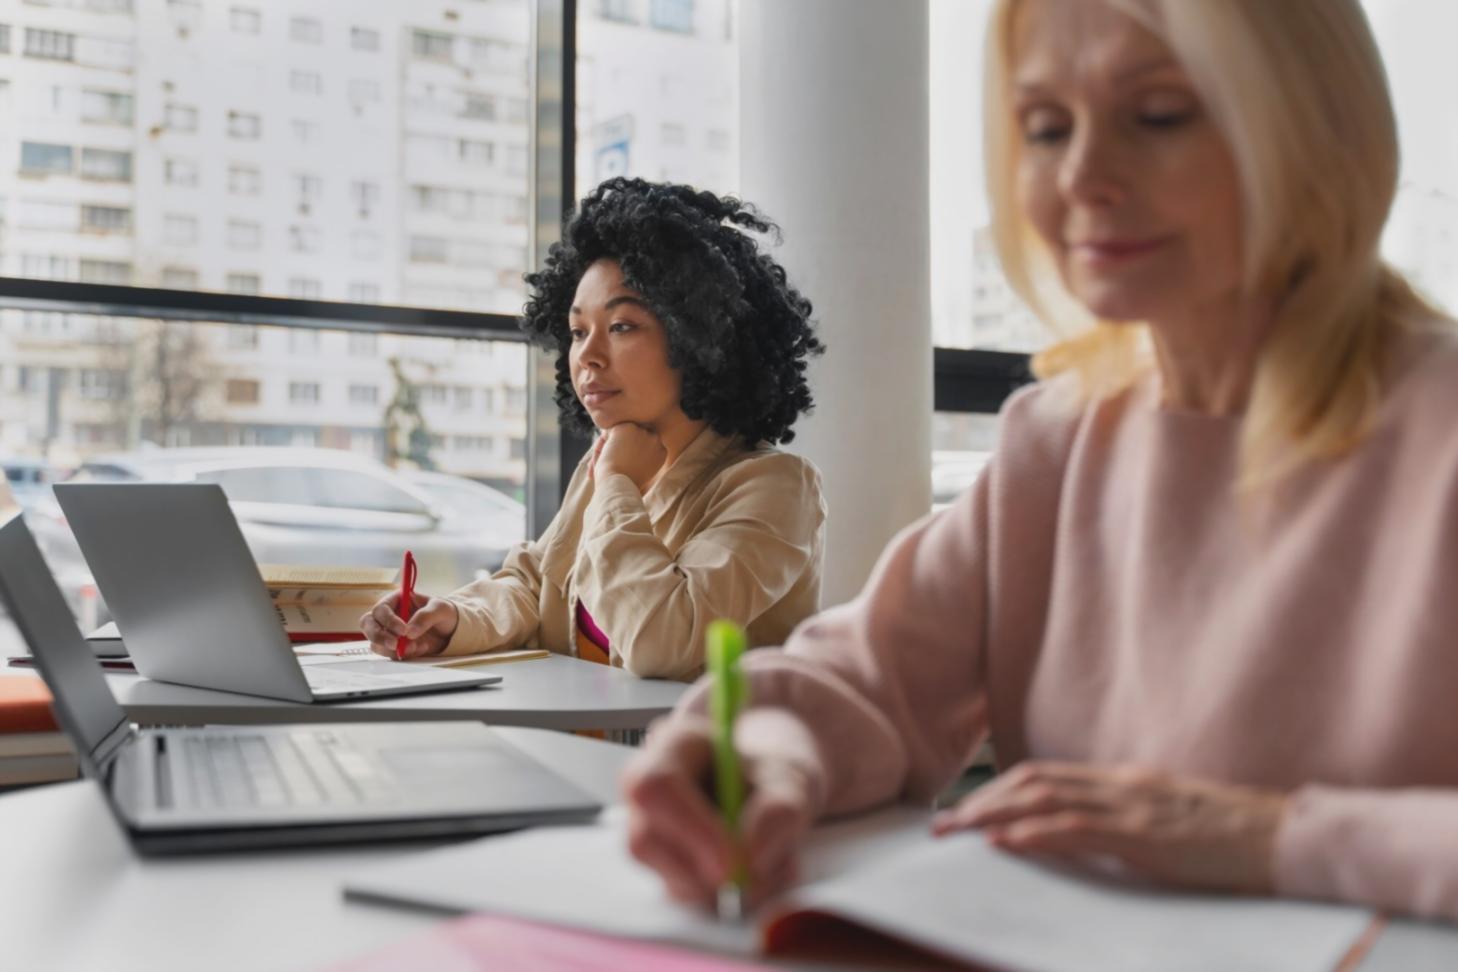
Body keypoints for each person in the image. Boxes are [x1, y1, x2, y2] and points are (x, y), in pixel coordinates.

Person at [622, 0, 1458, 921]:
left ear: (1317, 127)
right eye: (1047, 128)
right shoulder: (1056, 443)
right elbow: (866, 681)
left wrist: (1274, 838)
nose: (1082, 176)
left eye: (1160, 116)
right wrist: (765, 754)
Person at [361, 178, 826, 681]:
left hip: (704, 736)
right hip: (581, 730)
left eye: (621, 326)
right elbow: (536, 584)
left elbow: (661, 640)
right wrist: (454, 620)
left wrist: (617, 486)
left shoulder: (775, 485)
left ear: (699, 337)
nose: (587, 356)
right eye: (578, 331)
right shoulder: (607, 459)